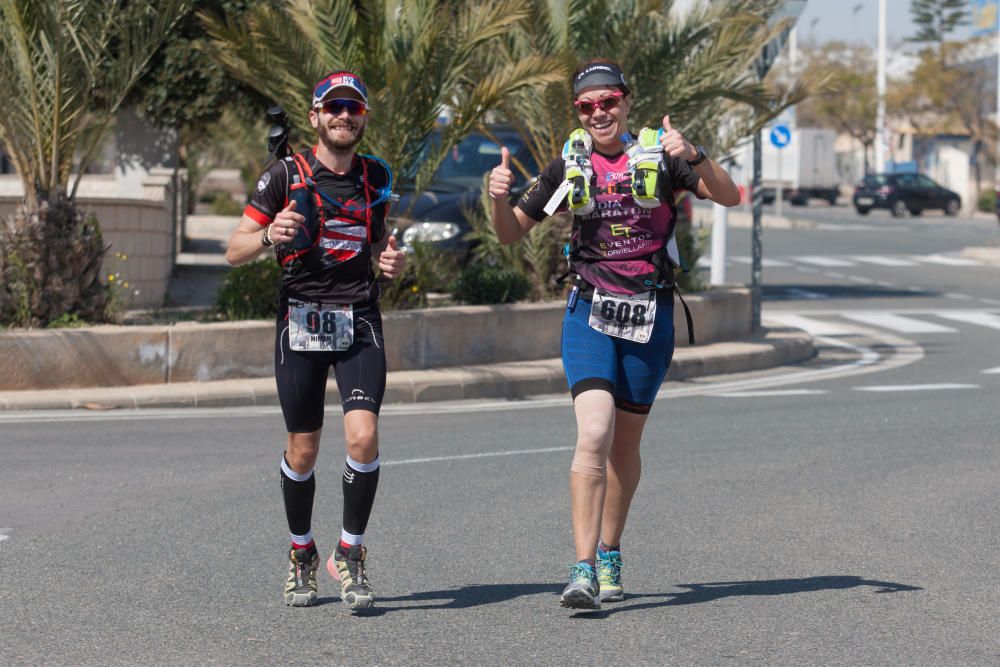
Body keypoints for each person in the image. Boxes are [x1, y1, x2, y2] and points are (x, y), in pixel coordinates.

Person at [488, 58, 739, 610]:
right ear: (577, 112)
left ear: (626, 102)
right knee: (594, 432)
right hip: (589, 313)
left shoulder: (661, 157)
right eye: (587, 105)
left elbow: (729, 196)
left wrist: (693, 153)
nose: (599, 112)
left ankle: (609, 549)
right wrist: (497, 197)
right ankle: (580, 569)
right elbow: (509, 235)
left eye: (608, 101)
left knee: (625, 444)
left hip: (649, 315)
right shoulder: (566, 167)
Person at [225, 70, 406, 610]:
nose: (343, 117)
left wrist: (390, 260)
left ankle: (349, 554)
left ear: (363, 118)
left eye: (353, 109)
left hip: (359, 319)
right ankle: (302, 552)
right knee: (303, 450)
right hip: (300, 320)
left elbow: (376, 242)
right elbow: (233, 249)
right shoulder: (282, 176)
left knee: (363, 437)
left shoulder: (376, 176)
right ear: (315, 117)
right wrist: (266, 235)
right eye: (333, 108)